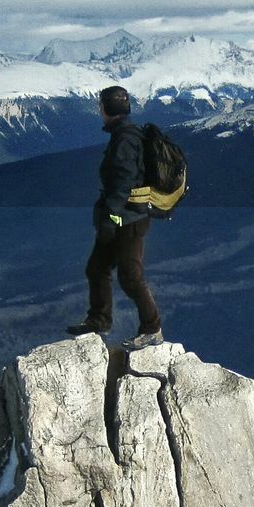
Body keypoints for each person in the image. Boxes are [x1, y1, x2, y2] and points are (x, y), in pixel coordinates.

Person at [66, 85, 163, 347]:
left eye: (101, 107)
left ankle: (152, 328)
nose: (99, 111)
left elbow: (122, 184)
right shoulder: (126, 135)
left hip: (127, 220)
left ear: (108, 109)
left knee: (130, 275)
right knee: (97, 268)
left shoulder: (124, 140)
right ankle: (99, 320)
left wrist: (110, 218)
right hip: (124, 217)